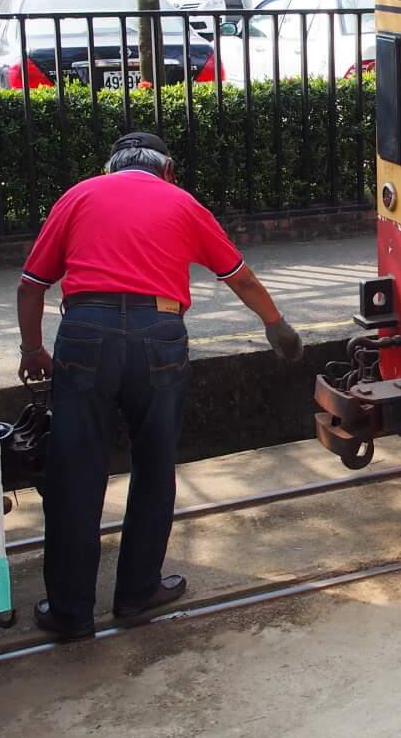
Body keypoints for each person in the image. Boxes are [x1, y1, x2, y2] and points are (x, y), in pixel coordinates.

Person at [17, 132, 303, 640]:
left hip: (85, 334)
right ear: (168, 168)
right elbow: (238, 276)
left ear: (110, 168)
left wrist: (32, 350)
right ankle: (136, 593)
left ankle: (69, 612)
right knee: (153, 466)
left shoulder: (79, 195)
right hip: (159, 337)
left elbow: (31, 285)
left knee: (75, 474)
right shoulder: (182, 202)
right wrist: (275, 324)